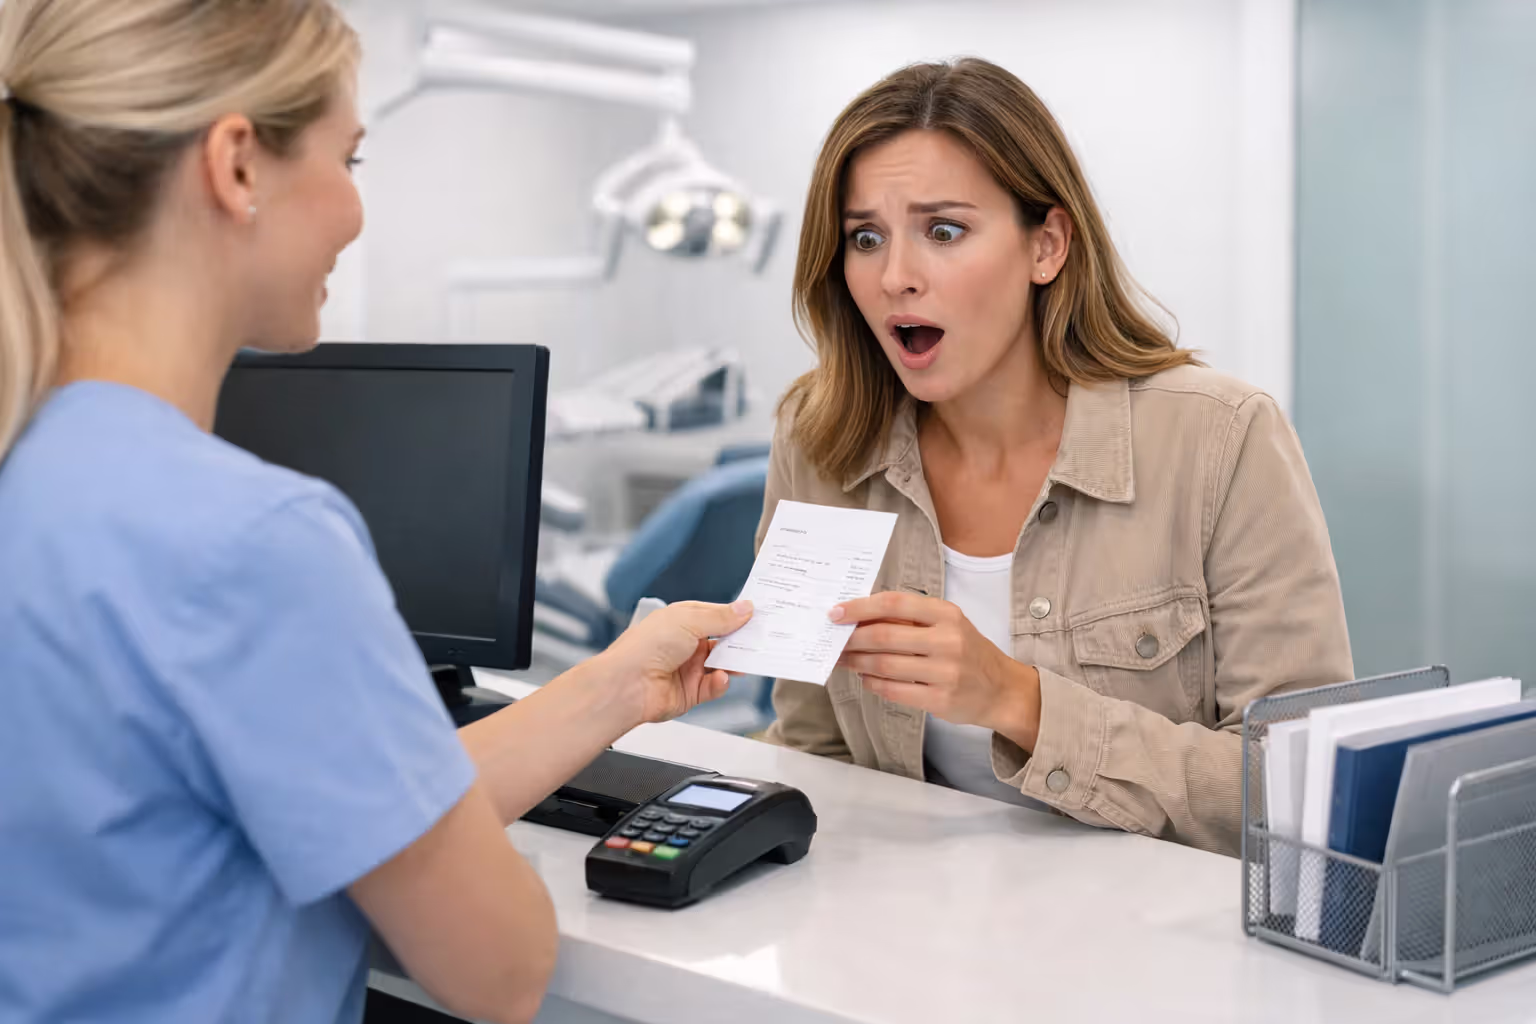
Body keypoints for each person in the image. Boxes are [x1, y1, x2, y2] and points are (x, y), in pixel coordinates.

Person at [0, 3, 751, 1022]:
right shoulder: (252, 542)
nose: (355, 213)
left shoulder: (44, 475)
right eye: (349, 161)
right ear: (235, 166)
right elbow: (502, 968)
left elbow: (368, 797)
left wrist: (618, 682)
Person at [760, 57, 1353, 856]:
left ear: (1047, 246)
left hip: (1157, 947)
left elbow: (1297, 792)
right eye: (865, 237)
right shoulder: (818, 436)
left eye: (944, 230)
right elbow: (813, 749)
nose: (895, 276)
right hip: (897, 942)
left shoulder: (1221, 438)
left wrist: (1019, 700)